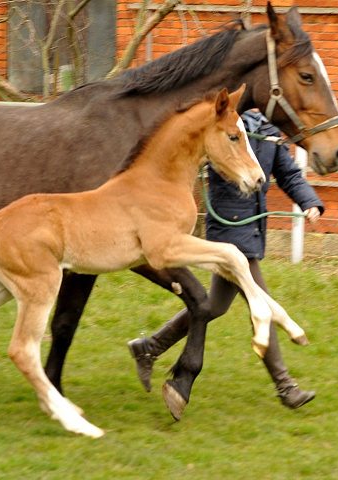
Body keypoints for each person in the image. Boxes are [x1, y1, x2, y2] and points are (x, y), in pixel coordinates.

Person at [128, 109, 323, 409]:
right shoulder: (226, 127)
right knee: (261, 302)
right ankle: (286, 387)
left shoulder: (268, 129)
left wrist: (309, 201)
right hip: (230, 229)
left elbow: (288, 173)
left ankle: (150, 346)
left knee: (214, 306)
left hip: (253, 229)